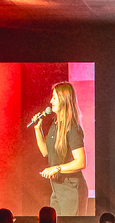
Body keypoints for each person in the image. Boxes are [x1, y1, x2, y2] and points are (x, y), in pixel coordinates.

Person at [33, 81, 88, 216]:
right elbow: (45, 152)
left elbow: (81, 162)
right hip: (57, 187)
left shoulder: (73, 128)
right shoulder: (55, 124)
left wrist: (56, 168)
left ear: (63, 100)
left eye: (54, 98)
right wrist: (37, 129)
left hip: (71, 188)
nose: (51, 101)